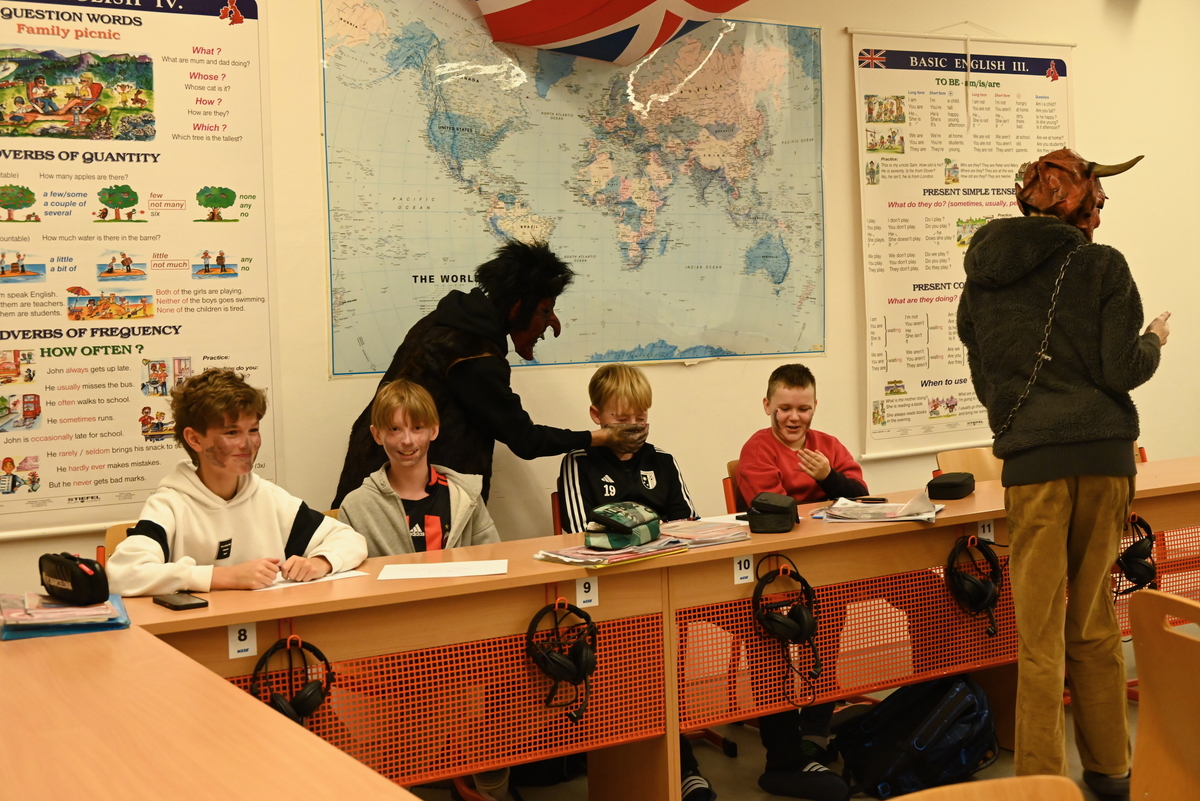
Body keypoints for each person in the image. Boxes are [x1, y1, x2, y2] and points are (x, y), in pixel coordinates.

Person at [957, 148, 1170, 796]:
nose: (1100, 216)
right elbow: (1120, 368)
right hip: (1104, 460)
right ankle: (1110, 772)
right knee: (1095, 621)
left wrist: (1019, 416)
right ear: (1076, 202)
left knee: (1040, 635)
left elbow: (981, 364)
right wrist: (1153, 341)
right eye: (1096, 203)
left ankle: (1040, 782)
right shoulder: (1102, 265)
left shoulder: (984, 274)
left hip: (1033, 466)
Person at [334, 239, 643, 507]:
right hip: (401, 498)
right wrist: (602, 437)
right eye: (545, 311)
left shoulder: (442, 322)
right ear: (517, 308)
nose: (553, 324)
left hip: (376, 480)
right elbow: (525, 440)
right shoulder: (474, 354)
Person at [556, 363, 712, 801]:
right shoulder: (578, 463)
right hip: (610, 594)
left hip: (665, 586)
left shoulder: (662, 461)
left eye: (640, 417)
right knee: (638, 667)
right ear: (596, 417)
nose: (632, 426)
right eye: (620, 418)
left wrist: (645, 533)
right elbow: (579, 532)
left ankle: (678, 765)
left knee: (664, 668)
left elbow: (688, 523)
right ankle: (672, 766)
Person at [108, 369, 368, 596]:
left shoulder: (269, 497)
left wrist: (321, 562)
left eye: (253, 430)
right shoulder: (170, 505)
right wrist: (224, 577)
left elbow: (350, 539)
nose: (248, 444)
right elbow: (123, 574)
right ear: (195, 439)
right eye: (232, 432)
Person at [338, 378, 498, 555]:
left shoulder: (466, 496)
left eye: (417, 427)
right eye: (394, 429)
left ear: (434, 430)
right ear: (376, 435)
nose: (407, 440)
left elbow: (493, 558)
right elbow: (348, 567)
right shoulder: (356, 507)